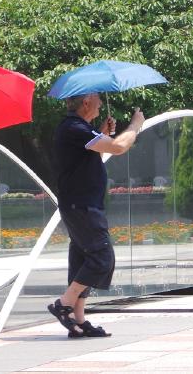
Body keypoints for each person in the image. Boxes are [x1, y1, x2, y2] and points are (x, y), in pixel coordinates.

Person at [48, 92, 145, 338]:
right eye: (98, 99)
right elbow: (119, 147)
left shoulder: (79, 129)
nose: (101, 103)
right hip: (82, 205)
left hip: (81, 204)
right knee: (102, 257)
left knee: (83, 259)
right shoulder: (74, 128)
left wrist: (103, 132)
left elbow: (92, 157)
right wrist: (135, 125)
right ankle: (63, 304)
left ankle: (78, 319)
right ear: (86, 102)